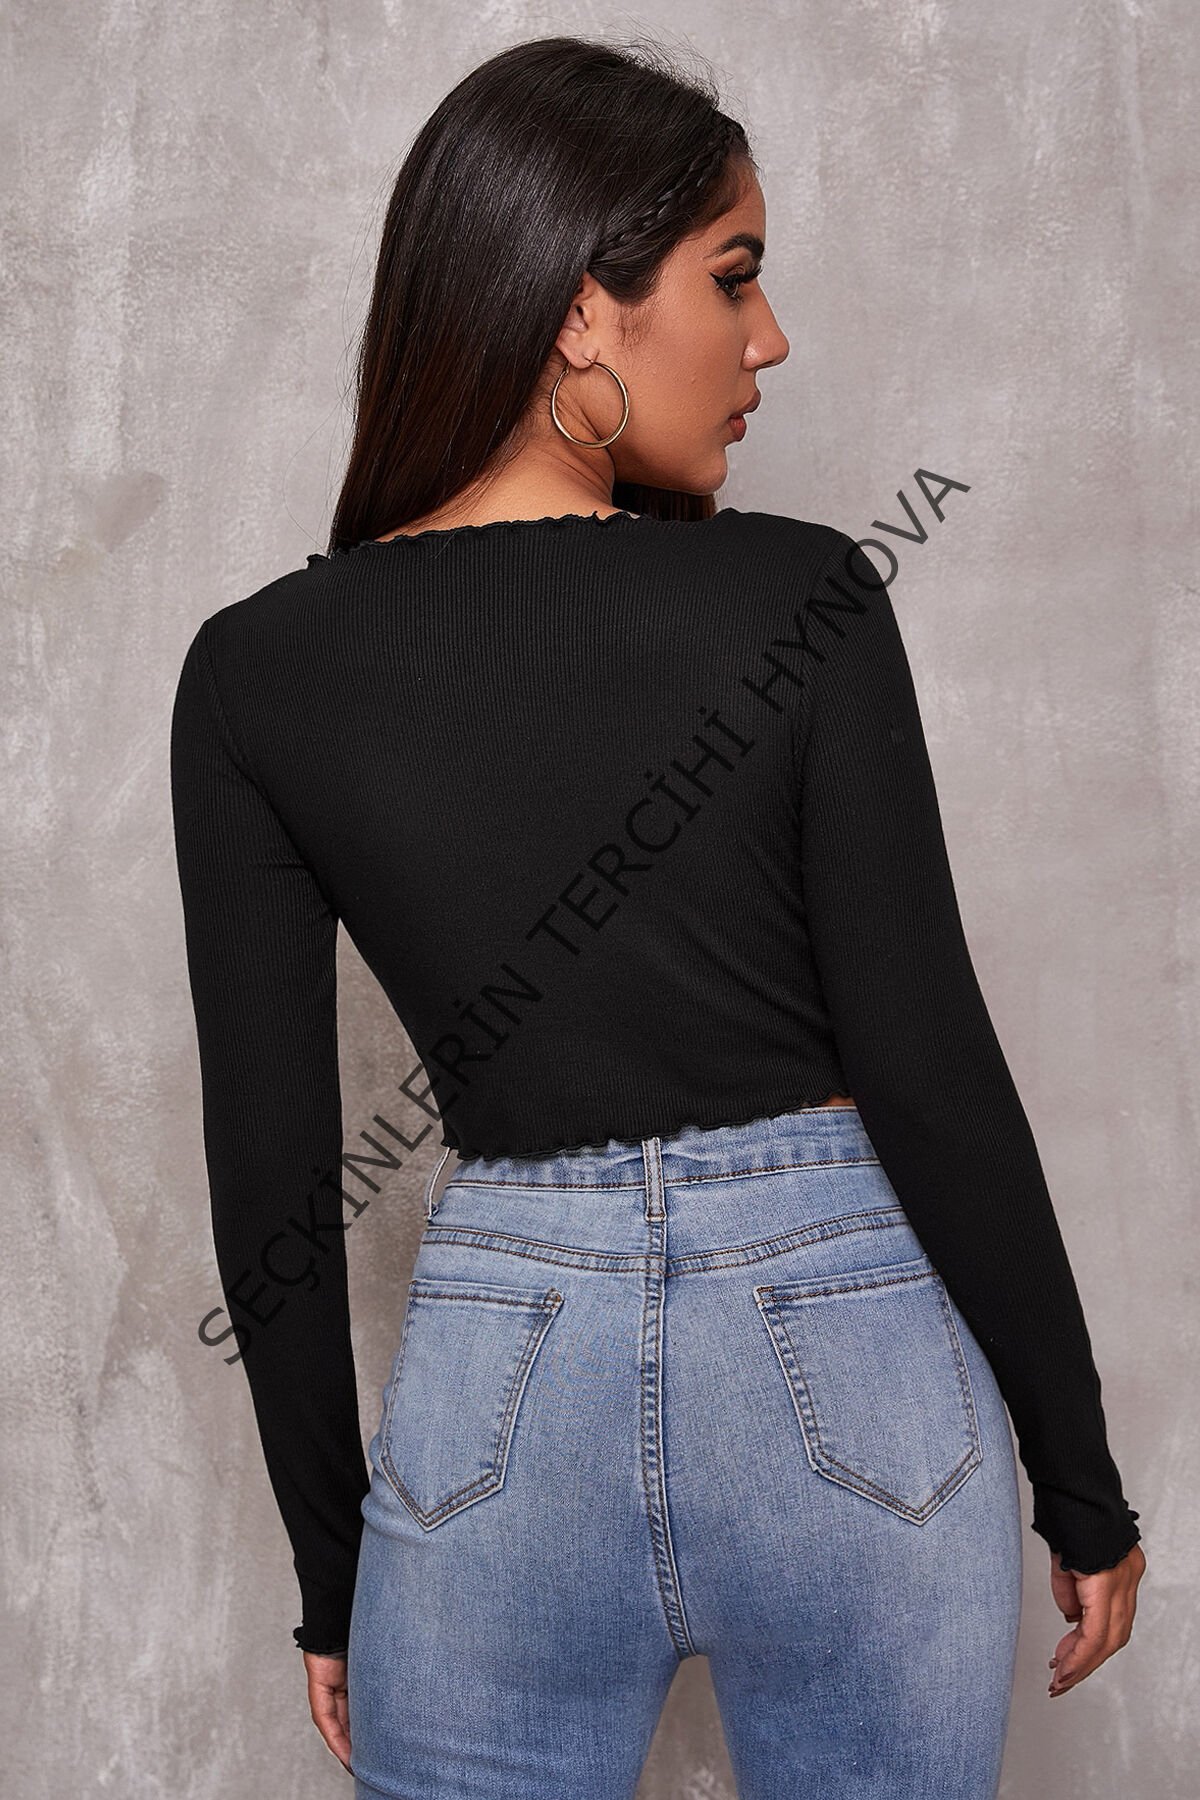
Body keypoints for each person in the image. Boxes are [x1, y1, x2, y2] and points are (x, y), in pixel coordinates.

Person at [169, 34, 1144, 1800]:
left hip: (501, 1388)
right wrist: (1078, 1482)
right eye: (734, 275)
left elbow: (274, 1182)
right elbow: (929, 1064)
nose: (769, 341)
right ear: (578, 310)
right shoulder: (801, 597)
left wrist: (335, 1573)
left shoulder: (257, 672)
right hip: (847, 1359)